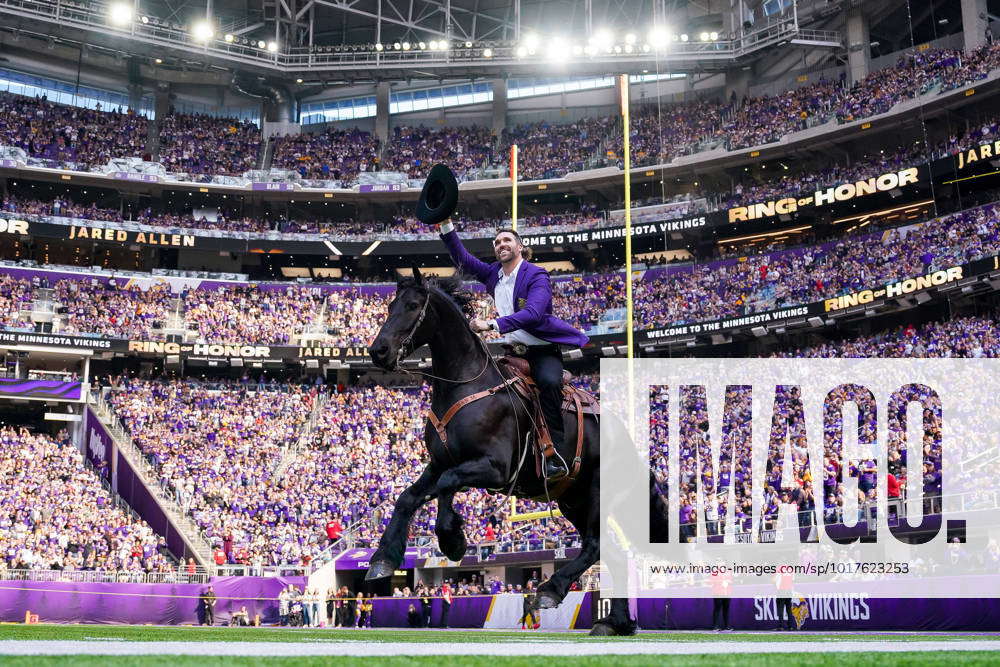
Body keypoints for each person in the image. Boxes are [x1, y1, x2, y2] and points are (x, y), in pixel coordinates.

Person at [436, 217, 589, 479]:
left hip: (541, 351)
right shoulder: (493, 274)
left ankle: (556, 455)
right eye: (497, 242)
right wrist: (445, 224)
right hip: (510, 352)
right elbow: (462, 257)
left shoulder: (536, 274)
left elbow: (534, 314)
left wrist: (491, 324)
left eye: (506, 240)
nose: (500, 245)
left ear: (520, 246)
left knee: (549, 383)